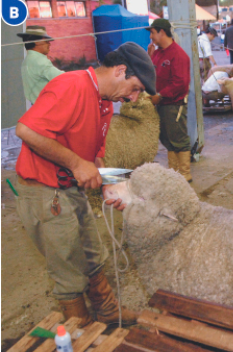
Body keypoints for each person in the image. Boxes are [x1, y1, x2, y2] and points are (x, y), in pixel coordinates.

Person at [14, 42, 157, 327]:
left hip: (69, 185)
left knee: (92, 250)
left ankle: (105, 309)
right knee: (66, 261)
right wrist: (77, 164)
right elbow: (26, 129)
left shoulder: (103, 100)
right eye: (136, 88)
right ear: (120, 70)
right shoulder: (72, 86)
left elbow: (95, 152)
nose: (133, 98)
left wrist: (105, 181)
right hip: (43, 188)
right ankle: (79, 328)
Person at [146, 19, 192, 182]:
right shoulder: (157, 53)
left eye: (152, 32)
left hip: (173, 104)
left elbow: (180, 83)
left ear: (162, 32)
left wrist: (161, 95)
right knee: (166, 138)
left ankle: (185, 173)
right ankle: (174, 172)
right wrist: (149, 57)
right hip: (161, 104)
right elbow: (151, 75)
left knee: (179, 137)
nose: (151, 36)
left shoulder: (178, 55)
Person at [16, 26, 64, 104]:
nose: (49, 44)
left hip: (38, 106)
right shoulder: (39, 61)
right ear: (37, 42)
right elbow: (63, 78)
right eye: (46, 41)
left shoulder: (28, 60)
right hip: (47, 107)